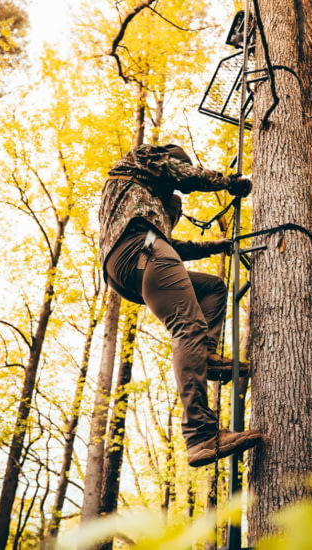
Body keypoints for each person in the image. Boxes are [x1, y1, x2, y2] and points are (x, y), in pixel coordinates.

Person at [98, 143, 262, 468]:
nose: (172, 202)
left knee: (212, 288)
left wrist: (211, 246)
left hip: (127, 267)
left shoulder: (133, 197)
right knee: (187, 327)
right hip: (142, 252)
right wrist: (229, 182)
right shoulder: (145, 160)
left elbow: (169, 245)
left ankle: (208, 356)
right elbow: (185, 176)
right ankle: (201, 434)